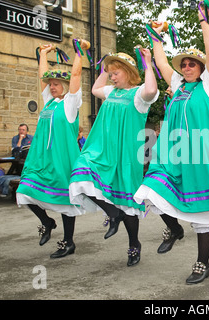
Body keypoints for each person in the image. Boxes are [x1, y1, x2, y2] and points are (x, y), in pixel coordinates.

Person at [134, 7, 209, 285]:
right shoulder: (178, 85)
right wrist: (156, 37)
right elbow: (161, 62)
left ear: (200, 67)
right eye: (183, 64)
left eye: (191, 64)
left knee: (204, 214)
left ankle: (202, 263)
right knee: (149, 192)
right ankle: (174, 230)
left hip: (203, 155)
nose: (186, 67)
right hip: (174, 154)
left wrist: (202, 20)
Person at [69, 49, 158, 267]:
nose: (112, 77)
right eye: (111, 74)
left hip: (126, 156)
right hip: (102, 151)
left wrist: (147, 63)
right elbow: (96, 88)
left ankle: (134, 244)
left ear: (128, 72)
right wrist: (103, 68)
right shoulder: (110, 92)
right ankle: (112, 213)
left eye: (116, 73)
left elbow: (151, 89)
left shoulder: (138, 95)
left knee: (128, 206)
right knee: (80, 175)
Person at [16, 39, 88, 258]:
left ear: (65, 87)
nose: (51, 86)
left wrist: (79, 52)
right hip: (41, 157)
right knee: (24, 192)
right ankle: (47, 222)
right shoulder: (48, 102)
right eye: (51, 84)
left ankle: (68, 242)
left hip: (62, 158)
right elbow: (42, 77)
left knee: (66, 202)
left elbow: (76, 76)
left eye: (56, 83)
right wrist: (43, 54)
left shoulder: (70, 104)